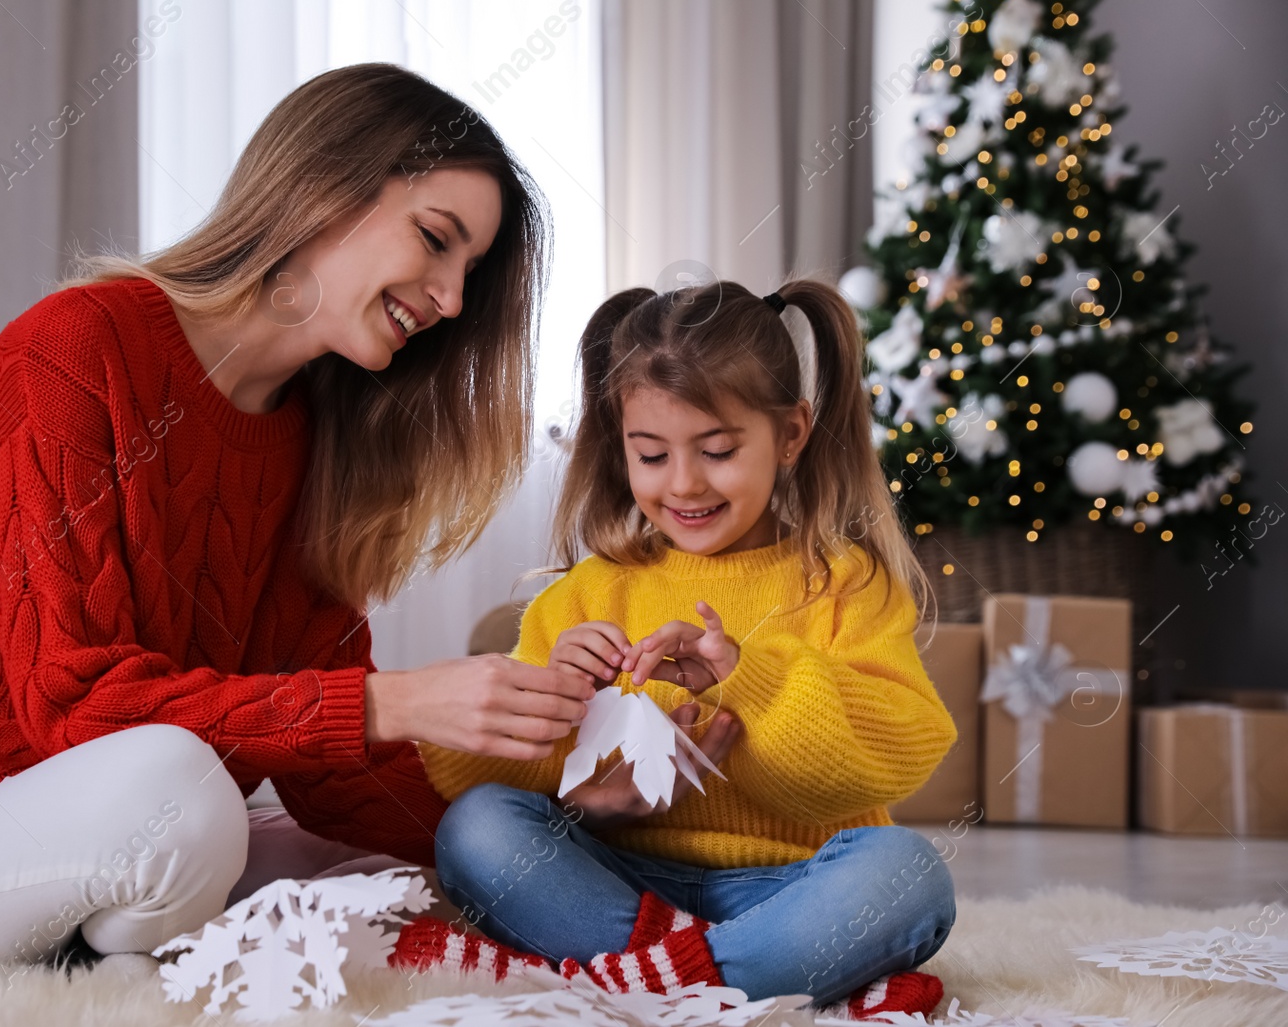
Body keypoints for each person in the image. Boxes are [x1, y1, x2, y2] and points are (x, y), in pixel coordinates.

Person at [0, 63, 598, 973]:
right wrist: (395, 700)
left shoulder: (313, 438)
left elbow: (331, 774)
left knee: (405, 880)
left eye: (468, 274)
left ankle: (122, 948)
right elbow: (73, 704)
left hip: (102, 839)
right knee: (187, 796)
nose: (449, 299)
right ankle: (126, 968)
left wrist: (549, 815)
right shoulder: (72, 350)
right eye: (436, 241)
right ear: (323, 187)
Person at [397, 279, 960, 1018]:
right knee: (477, 827)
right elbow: (481, 775)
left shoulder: (845, 581)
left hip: (793, 884)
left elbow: (898, 752)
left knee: (909, 874)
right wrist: (556, 702)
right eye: (652, 454)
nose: (685, 483)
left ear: (791, 434)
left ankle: (644, 982)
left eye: (718, 450)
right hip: (623, 886)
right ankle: (731, 979)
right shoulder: (588, 594)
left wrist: (748, 681)